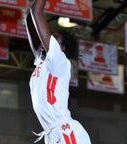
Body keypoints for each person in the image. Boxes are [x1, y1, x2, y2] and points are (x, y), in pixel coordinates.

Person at [25, 0, 91, 143]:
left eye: (54, 39)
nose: (47, 41)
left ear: (62, 49)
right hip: (52, 133)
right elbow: (30, 18)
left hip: (65, 130)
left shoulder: (59, 62)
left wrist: (36, 7)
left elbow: (37, 10)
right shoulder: (41, 61)